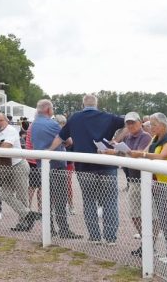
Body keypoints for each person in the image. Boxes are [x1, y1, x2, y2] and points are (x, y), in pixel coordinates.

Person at [50, 94, 124, 244]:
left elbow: (60, 137)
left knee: (89, 201)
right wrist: (117, 139)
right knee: (110, 201)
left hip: (84, 167)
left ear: (83, 104)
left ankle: (94, 237)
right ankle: (110, 238)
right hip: (107, 165)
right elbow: (130, 122)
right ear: (97, 104)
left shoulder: (75, 118)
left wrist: (48, 151)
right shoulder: (108, 117)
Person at [129, 112, 167, 264]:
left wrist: (141, 155)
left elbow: (162, 156)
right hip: (157, 183)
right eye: (150, 125)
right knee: (164, 219)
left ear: (163, 125)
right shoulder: (156, 138)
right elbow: (146, 152)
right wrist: (136, 153)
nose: (151, 128)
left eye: (154, 125)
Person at [29, 100, 80, 239]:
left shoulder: (34, 125)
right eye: (52, 108)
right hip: (57, 165)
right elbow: (69, 141)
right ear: (48, 109)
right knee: (61, 199)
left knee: (47, 198)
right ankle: (64, 229)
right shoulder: (52, 124)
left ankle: (49, 228)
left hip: (42, 165)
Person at [100, 111, 150, 249]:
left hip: (144, 180)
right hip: (133, 179)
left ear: (140, 122)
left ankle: (148, 244)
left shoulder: (146, 137)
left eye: (133, 122)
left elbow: (138, 154)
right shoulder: (127, 137)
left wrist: (117, 152)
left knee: (147, 214)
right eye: (128, 123)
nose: (130, 125)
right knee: (134, 213)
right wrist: (113, 151)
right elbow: (125, 152)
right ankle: (145, 241)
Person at [0, 111, 37, 232]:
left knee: (22, 196)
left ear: (6, 121)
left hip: (18, 165)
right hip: (6, 167)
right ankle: (28, 215)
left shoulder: (11, 130)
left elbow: (6, 147)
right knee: (5, 195)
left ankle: (23, 222)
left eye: (1, 120)